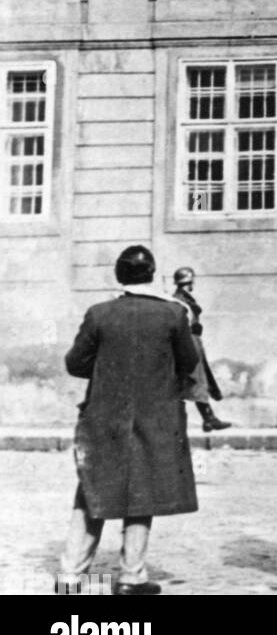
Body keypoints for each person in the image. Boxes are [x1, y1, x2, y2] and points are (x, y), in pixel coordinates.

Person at [56, 245, 199, 596]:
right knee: (143, 490)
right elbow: (188, 361)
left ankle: (71, 578)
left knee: (92, 489)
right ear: (152, 275)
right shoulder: (173, 315)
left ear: (119, 276)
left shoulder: (99, 313)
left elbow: (75, 363)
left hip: (104, 414)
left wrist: (109, 366)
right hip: (155, 415)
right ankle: (130, 577)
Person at [171, 266, 231, 432]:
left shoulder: (184, 298)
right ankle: (208, 419)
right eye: (191, 282)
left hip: (194, 341)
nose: (192, 285)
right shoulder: (179, 300)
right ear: (188, 282)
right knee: (196, 380)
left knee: (199, 380)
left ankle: (208, 418)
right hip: (189, 342)